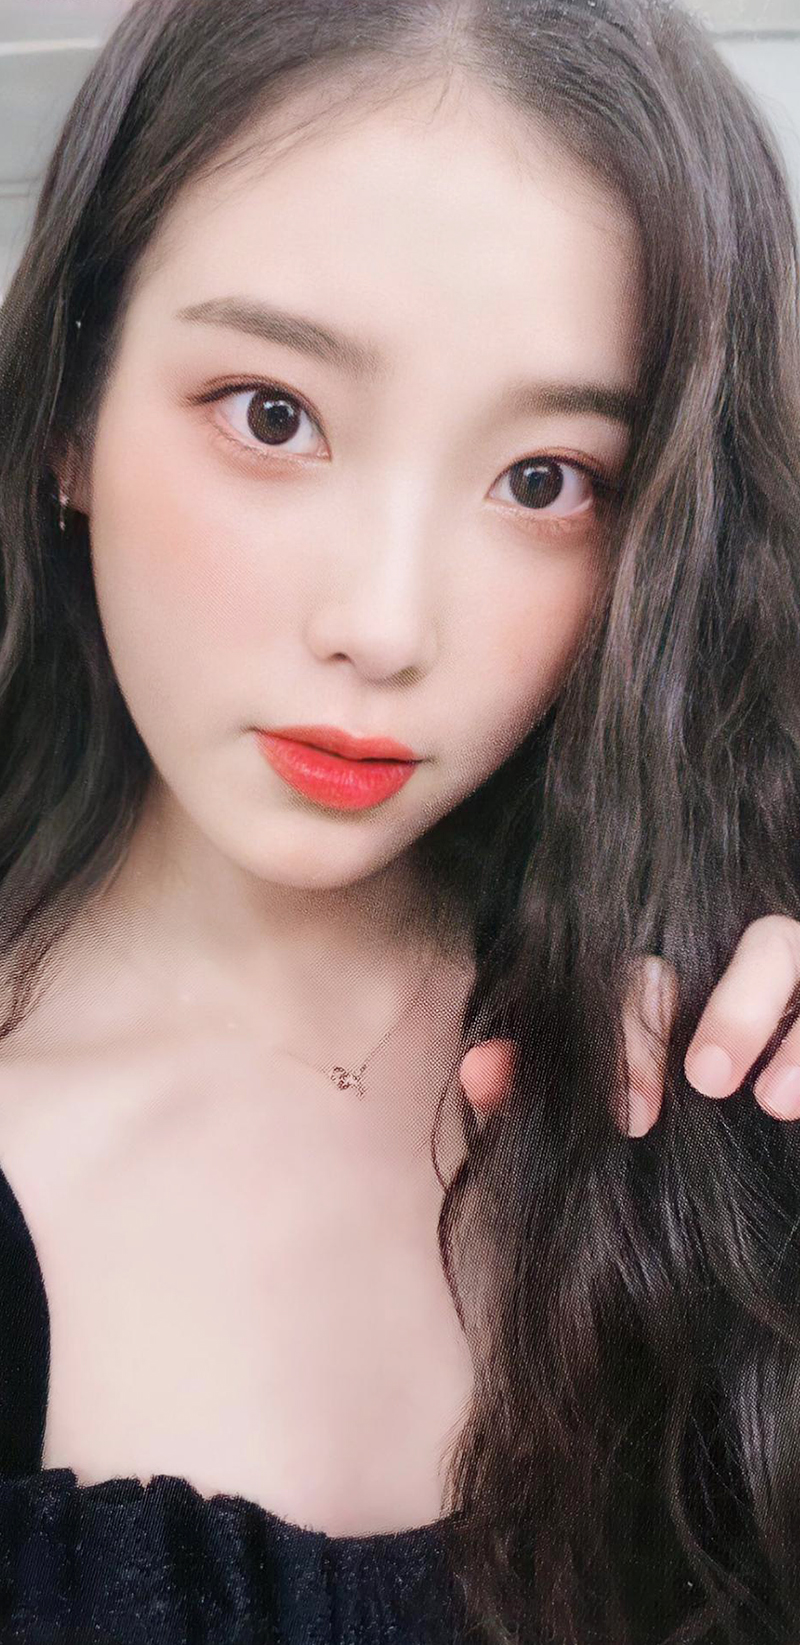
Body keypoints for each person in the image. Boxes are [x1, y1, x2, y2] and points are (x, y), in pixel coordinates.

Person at [0, 0, 798, 1640]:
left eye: (545, 480)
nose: (383, 624)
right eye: (271, 413)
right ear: (72, 412)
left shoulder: (712, 1069)